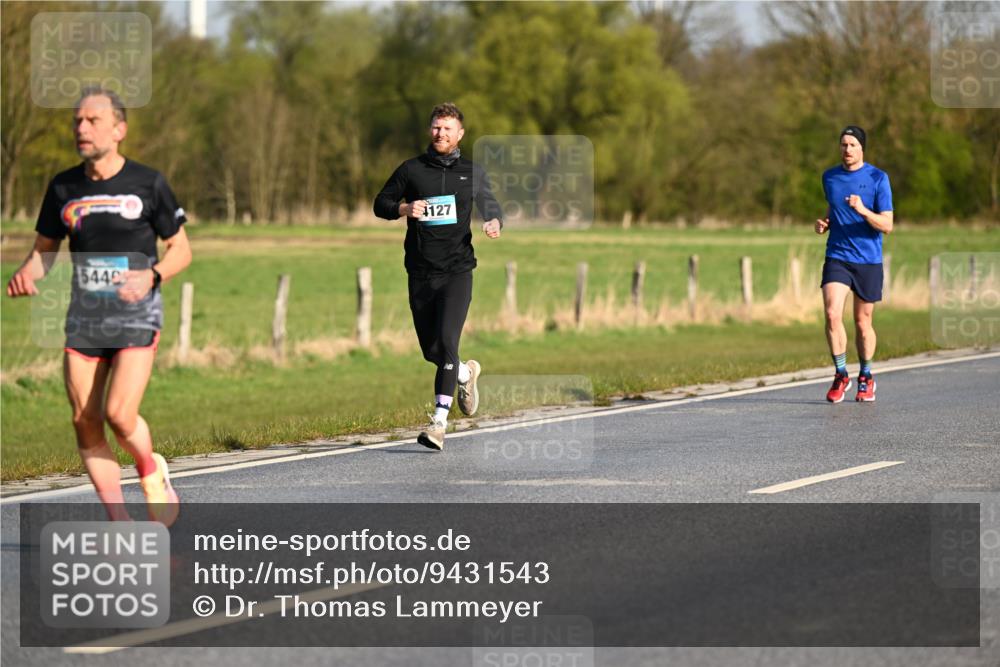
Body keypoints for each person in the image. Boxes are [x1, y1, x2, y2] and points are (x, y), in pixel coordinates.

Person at [7, 88, 191, 524]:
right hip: (85, 319)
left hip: (136, 314)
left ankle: (150, 470)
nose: (82, 128)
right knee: (84, 420)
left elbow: (181, 249)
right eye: (77, 121)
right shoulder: (62, 187)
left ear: (119, 129)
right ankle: (120, 524)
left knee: (118, 414)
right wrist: (26, 273)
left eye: (92, 120)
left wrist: (153, 275)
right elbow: (43, 252)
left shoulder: (149, 183)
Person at [373, 103, 503, 450]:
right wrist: (403, 208)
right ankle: (464, 373)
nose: (440, 133)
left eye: (447, 128)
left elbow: (491, 205)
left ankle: (438, 424)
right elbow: (380, 203)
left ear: (460, 134)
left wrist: (494, 221)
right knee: (432, 350)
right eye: (435, 127)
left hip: (458, 271)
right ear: (429, 131)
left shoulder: (472, 173)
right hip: (420, 271)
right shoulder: (411, 170)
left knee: (447, 342)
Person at [815, 125, 893, 403]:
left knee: (862, 322)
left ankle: (866, 376)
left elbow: (887, 224)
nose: (847, 150)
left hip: (868, 259)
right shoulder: (830, 177)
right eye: (843, 145)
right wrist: (826, 222)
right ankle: (840, 373)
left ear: (862, 148)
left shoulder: (877, 178)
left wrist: (862, 209)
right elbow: (833, 208)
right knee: (832, 313)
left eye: (852, 145)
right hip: (837, 255)